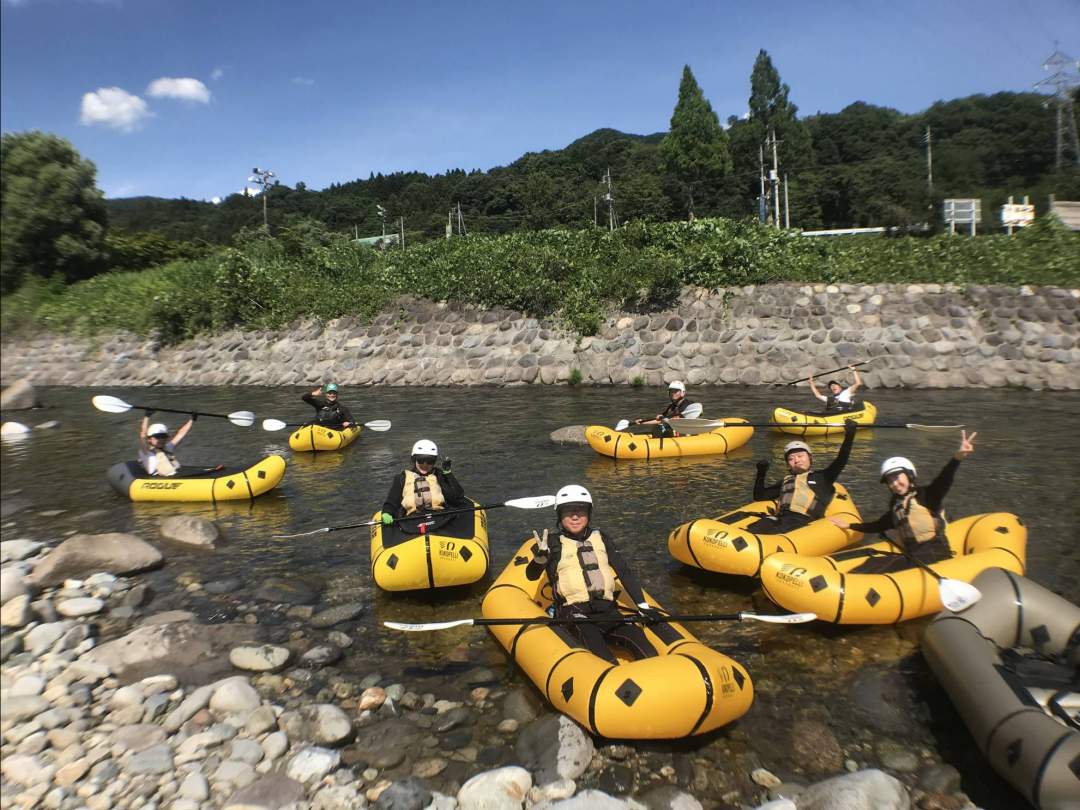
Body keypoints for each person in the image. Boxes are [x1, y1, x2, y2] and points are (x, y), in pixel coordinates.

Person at [525, 485, 668, 665]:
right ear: (560, 515)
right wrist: (541, 558)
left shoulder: (602, 538)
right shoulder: (552, 544)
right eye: (569, 511)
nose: (575, 516)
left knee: (647, 651)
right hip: (574, 613)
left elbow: (624, 571)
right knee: (602, 657)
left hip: (607, 610)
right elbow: (531, 575)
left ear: (589, 513)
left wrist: (642, 605)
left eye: (581, 510)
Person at [829, 431, 977, 574]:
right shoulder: (897, 507)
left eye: (897, 477)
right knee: (871, 563)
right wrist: (849, 525)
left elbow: (944, 479)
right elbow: (877, 525)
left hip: (935, 553)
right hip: (913, 556)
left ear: (909, 475)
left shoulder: (928, 496)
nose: (894, 483)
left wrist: (958, 457)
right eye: (890, 481)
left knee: (884, 566)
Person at [747, 419, 858, 534]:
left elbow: (841, 460)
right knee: (759, 525)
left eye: (800, 456)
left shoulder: (823, 477)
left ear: (810, 459)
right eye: (791, 458)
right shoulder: (786, 481)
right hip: (780, 519)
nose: (796, 460)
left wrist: (849, 435)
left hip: (801, 522)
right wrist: (761, 472)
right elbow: (759, 496)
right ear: (788, 465)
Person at [379, 439, 467, 522]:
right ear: (414, 459)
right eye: (421, 460)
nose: (425, 465)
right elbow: (391, 501)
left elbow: (458, 499)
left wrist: (448, 474)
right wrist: (387, 513)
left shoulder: (439, 475)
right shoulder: (402, 478)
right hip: (411, 520)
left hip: (440, 518)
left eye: (430, 461)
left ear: (434, 461)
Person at [138, 411, 194, 477]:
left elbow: (181, 433)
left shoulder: (168, 447)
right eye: (157, 437)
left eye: (163, 436)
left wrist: (192, 420)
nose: (161, 439)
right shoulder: (147, 451)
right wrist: (147, 416)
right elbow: (143, 434)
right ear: (149, 439)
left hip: (177, 475)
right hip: (163, 479)